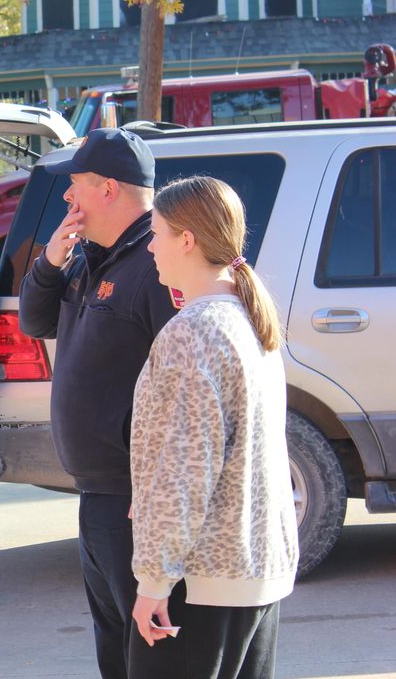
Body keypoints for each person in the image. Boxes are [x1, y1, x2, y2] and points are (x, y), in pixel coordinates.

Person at [18, 127, 179, 677]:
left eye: (76, 185)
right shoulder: (91, 257)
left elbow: (183, 390)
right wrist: (49, 264)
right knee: (114, 644)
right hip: (96, 494)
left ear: (109, 189)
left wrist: (158, 488)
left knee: (148, 650)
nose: (67, 197)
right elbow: (35, 322)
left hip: (135, 497)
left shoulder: (158, 264)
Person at [128, 176, 298, 679]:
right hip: (253, 567)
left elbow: (185, 468)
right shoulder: (248, 317)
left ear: (188, 240)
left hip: (201, 578)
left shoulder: (195, 330)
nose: (150, 246)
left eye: (156, 233)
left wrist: (154, 581)